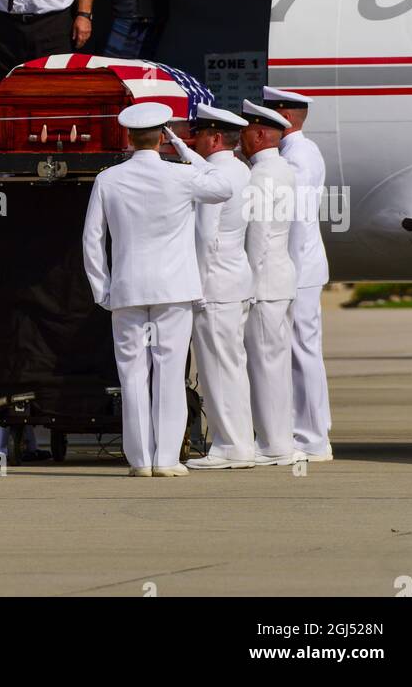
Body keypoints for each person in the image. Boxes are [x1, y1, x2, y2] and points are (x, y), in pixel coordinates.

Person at [82, 101, 232, 477]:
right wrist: (185, 151)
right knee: (168, 372)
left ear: (128, 137)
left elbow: (92, 240)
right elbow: (223, 187)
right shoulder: (180, 176)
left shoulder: (109, 179)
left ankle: (140, 460)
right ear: (163, 136)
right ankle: (166, 459)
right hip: (173, 289)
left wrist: (102, 289)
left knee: (131, 374)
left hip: (128, 289)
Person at [165, 106, 256, 470]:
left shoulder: (217, 175)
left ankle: (229, 447)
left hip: (214, 282)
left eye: (198, 134)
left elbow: (204, 234)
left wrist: (195, 286)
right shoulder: (238, 169)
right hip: (236, 278)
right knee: (232, 365)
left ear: (215, 137)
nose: (193, 139)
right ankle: (241, 442)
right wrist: (180, 147)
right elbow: (201, 167)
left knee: (218, 368)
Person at [263, 86, 332, 462]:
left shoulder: (299, 156)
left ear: (286, 117)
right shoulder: (297, 152)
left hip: (299, 266)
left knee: (302, 351)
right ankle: (313, 429)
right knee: (300, 350)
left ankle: (310, 438)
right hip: (301, 266)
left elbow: (297, 219)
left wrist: (285, 267)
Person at [239, 100, 301, 467]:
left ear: (260, 133)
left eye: (245, 131)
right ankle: (280, 438)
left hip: (264, 284)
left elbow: (257, 237)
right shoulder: (284, 169)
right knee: (275, 364)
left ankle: (272, 443)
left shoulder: (261, 176)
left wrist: (246, 284)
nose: (240, 138)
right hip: (282, 277)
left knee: (263, 365)